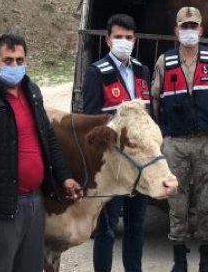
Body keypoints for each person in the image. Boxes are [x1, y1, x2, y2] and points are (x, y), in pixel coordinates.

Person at [0, 34, 82, 272]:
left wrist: (64, 177)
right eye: (8, 60)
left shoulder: (32, 91)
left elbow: (48, 139)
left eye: (20, 60)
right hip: (2, 205)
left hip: (34, 202)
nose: (15, 66)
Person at [151, 6, 208, 272]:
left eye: (193, 26)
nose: (189, 30)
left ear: (201, 29)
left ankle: (207, 262)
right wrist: (159, 137)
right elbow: (154, 99)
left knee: (207, 202)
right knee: (177, 203)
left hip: (206, 141)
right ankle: (180, 261)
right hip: (175, 142)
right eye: (184, 26)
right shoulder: (165, 61)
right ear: (176, 31)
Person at [82, 14, 151, 272]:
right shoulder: (96, 73)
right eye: (118, 37)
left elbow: (148, 116)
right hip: (112, 166)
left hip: (139, 164)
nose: (123, 42)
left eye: (128, 38)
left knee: (136, 226)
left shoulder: (142, 71)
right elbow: (90, 123)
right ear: (108, 40)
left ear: (135, 40)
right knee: (107, 230)